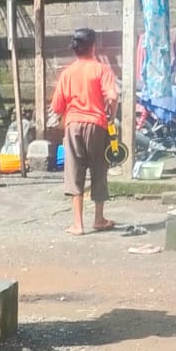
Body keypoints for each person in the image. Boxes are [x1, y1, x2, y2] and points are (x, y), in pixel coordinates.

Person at [50, 28, 121, 236]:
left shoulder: (67, 73)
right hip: (97, 124)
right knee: (99, 170)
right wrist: (111, 115)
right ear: (93, 47)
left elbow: (56, 106)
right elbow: (113, 96)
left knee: (74, 171)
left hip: (73, 125)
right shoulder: (101, 70)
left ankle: (78, 224)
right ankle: (98, 219)